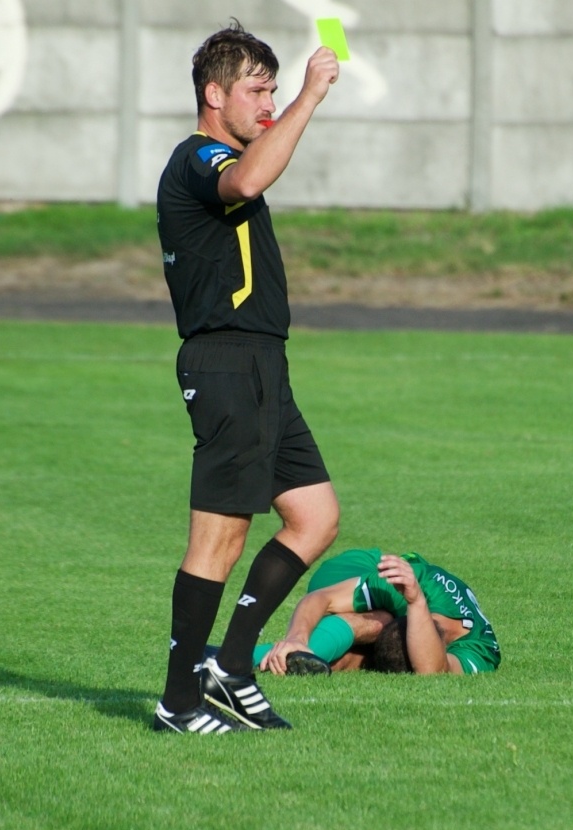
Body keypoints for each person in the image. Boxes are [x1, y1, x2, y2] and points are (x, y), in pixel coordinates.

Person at [151, 22, 342, 734]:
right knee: (219, 540)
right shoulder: (198, 157)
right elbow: (249, 176)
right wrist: (309, 97)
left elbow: (257, 162)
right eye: (256, 90)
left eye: (273, 89)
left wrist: (289, 106)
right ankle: (177, 699)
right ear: (213, 93)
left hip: (264, 365)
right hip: (226, 363)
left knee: (315, 516)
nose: (268, 103)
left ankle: (230, 667)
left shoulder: (234, 149)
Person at [254, 549, 501, 676]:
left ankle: (227, 657)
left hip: (403, 610)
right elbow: (321, 598)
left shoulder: (482, 651)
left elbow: (432, 671)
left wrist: (415, 605)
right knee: (380, 621)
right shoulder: (405, 584)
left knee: (344, 661)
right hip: (353, 566)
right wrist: (297, 637)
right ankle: (245, 656)